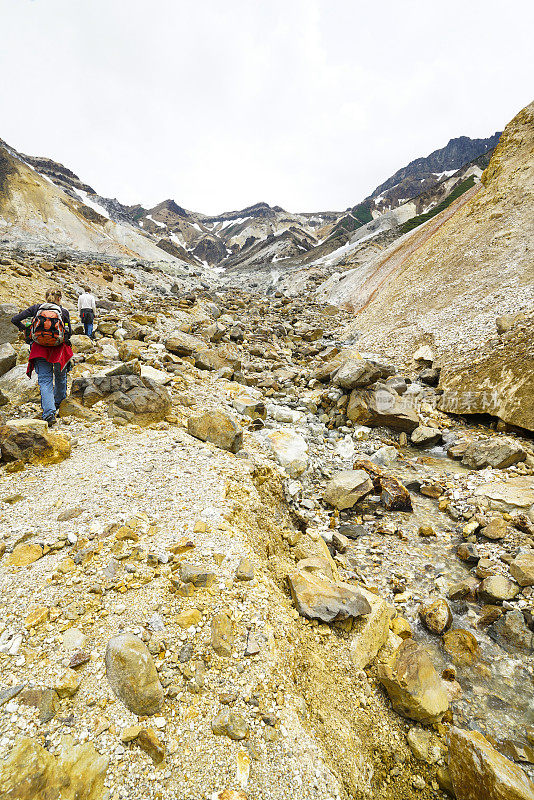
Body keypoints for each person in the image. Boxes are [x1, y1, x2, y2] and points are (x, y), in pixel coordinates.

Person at [11, 288, 73, 426]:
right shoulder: (63, 312)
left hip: (39, 350)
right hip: (58, 351)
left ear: (46, 297)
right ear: (59, 299)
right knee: (60, 377)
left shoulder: (36, 308)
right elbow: (69, 333)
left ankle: (49, 414)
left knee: (45, 381)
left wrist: (26, 330)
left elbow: (14, 319)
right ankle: (60, 405)